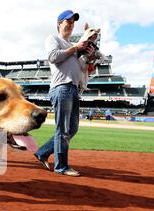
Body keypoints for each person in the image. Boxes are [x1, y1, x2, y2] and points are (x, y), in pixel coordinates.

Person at [34, 9, 94, 177]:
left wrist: (89, 57)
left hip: (73, 88)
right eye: (68, 22)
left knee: (72, 129)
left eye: (73, 23)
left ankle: (43, 152)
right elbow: (53, 57)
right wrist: (76, 48)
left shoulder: (74, 46)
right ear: (59, 24)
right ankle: (61, 166)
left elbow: (80, 66)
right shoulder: (53, 39)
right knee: (63, 129)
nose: (71, 25)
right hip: (61, 87)